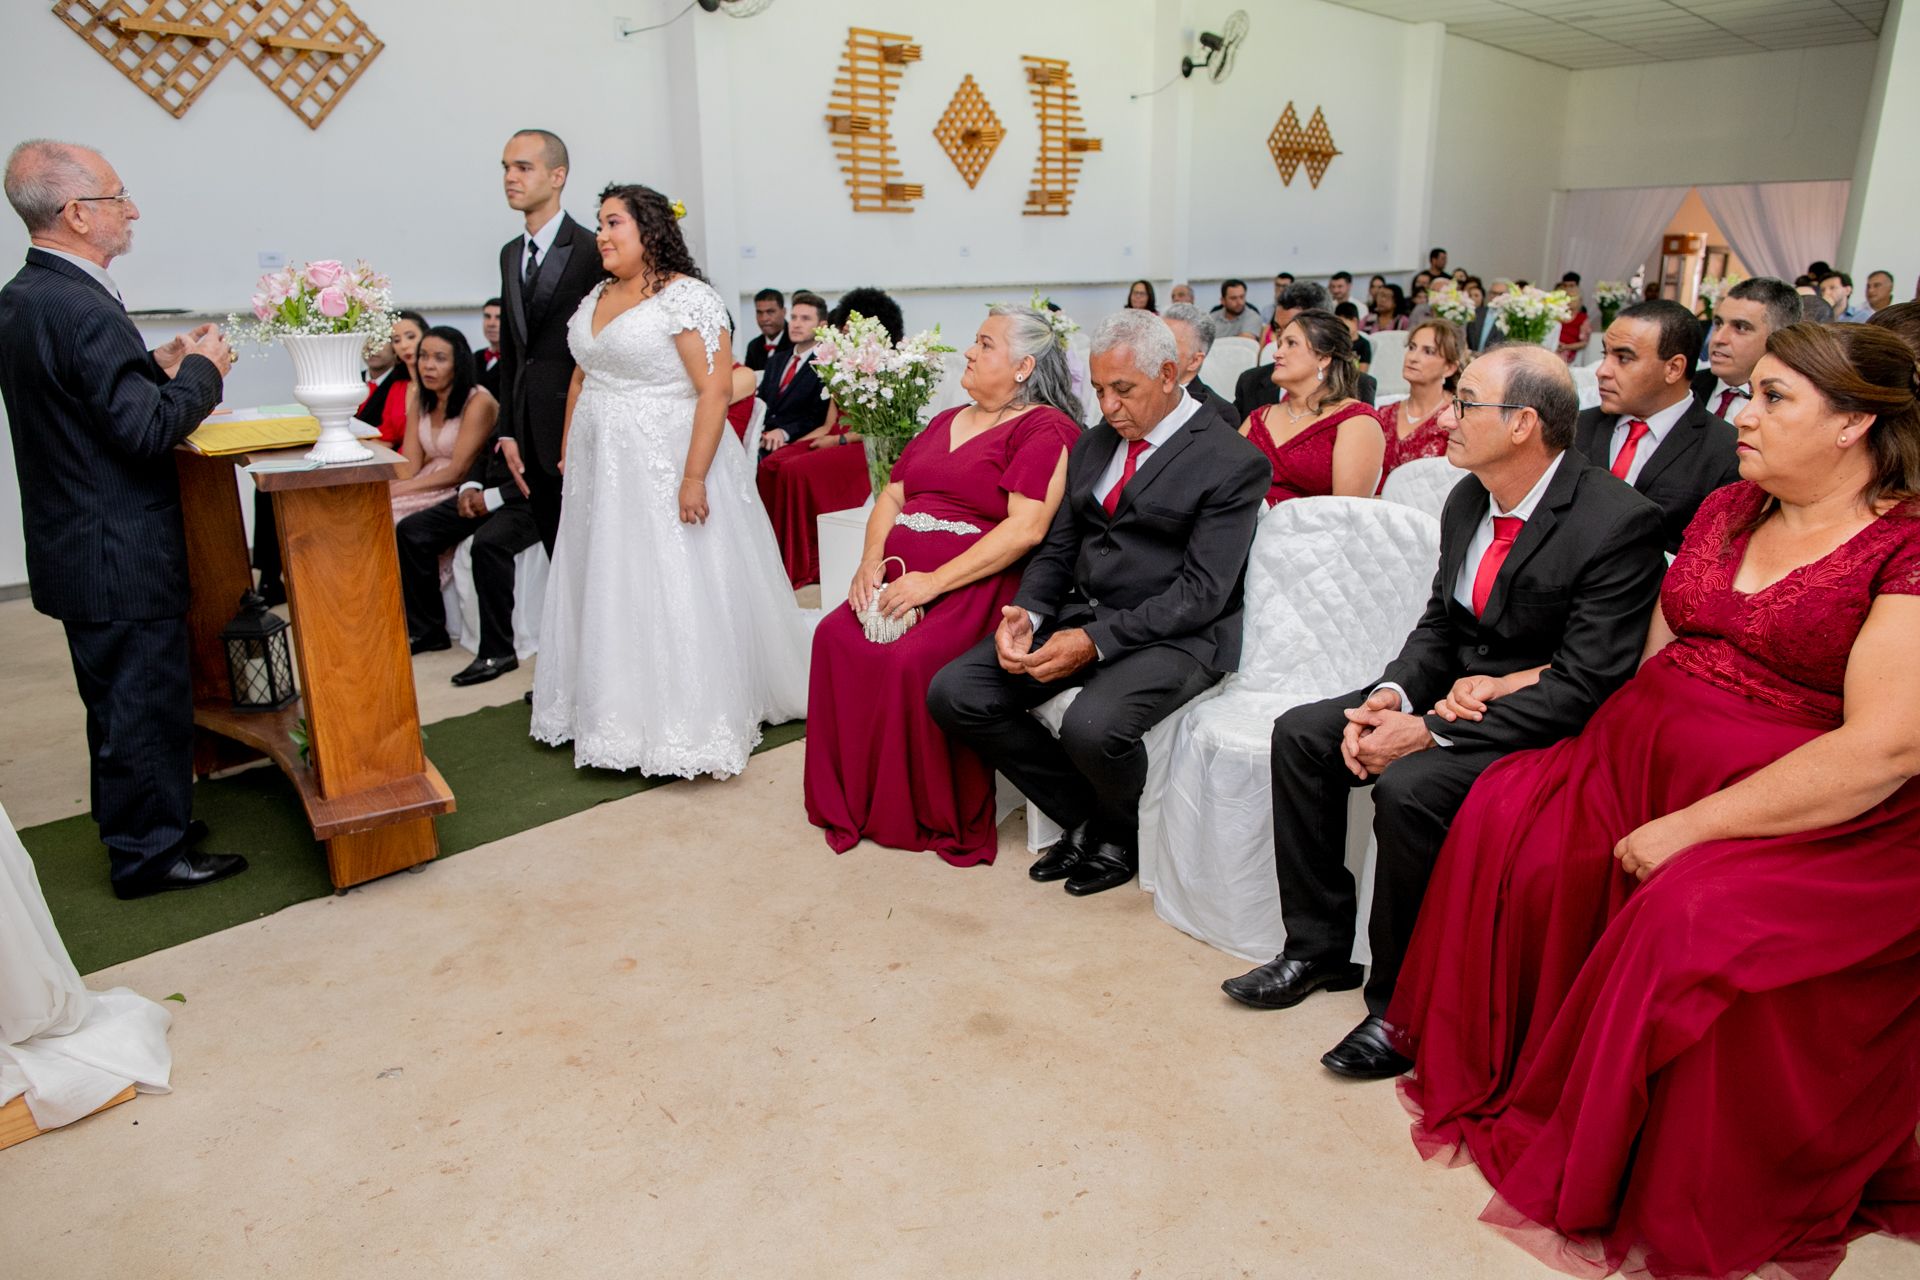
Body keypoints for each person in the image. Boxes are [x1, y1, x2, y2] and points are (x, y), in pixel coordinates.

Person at [1387, 321, 1920, 1280]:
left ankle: (1633, 1157)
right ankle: (1524, 1071)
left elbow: (1884, 747)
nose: (1740, 415)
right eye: (1748, 393)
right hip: (1641, 747)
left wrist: (1689, 826)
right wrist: (1523, 682)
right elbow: (1654, 655)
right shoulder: (1727, 507)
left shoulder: (1904, 550)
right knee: (1509, 814)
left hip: (1804, 803)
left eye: (1772, 399)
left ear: (1853, 425)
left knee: (1688, 915)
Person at [1223, 345, 1666, 1078]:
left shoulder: (1617, 523)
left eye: (1466, 404)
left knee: (1410, 787)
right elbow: (1443, 626)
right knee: (1304, 733)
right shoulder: (1469, 495)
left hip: (1545, 720)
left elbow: (1588, 684)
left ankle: (1397, 1009)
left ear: (1523, 423)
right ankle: (1315, 948)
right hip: (1451, 693)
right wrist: (1392, 696)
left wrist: (1425, 733)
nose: (1447, 419)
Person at [927, 310, 1270, 896]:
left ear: (1168, 375)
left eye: (1124, 390)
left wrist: (1093, 642)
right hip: (1083, 614)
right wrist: (1029, 612)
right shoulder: (1094, 443)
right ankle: (1090, 816)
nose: (1109, 407)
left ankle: (1118, 836)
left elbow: (1203, 592)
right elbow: (1060, 545)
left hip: (1178, 634)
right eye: (1101, 390)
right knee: (958, 694)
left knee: (1092, 726)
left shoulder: (1231, 461)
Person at [0, 139, 245, 899]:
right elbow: (142, 433)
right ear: (77, 213)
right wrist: (206, 370)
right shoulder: (83, 305)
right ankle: (149, 856)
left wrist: (153, 365)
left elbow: (87, 400)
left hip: (74, 541)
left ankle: (146, 823)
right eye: (117, 197)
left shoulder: (29, 295)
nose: (131, 209)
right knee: (140, 706)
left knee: (118, 704)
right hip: (118, 546)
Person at [530, 183, 808, 776]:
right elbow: (582, 378)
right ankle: (609, 711)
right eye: (600, 225)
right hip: (601, 468)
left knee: (668, 576)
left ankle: (684, 717)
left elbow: (712, 389)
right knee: (609, 576)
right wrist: (568, 453)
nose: (601, 236)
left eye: (613, 224)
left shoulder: (688, 299)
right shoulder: (597, 295)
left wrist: (693, 477)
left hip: (665, 454)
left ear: (649, 230)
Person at [805, 308, 1080, 863]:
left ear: (1025, 366)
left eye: (985, 344)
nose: (969, 353)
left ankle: (915, 810)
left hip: (973, 584)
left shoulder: (1046, 428)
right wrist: (869, 559)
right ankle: (853, 801)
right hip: (898, 573)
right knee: (832, 638)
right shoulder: (945, 419)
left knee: (912, 659)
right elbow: (892, 496)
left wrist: (934, 583)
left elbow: (1026, 529)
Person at [495, 128, 602, 555]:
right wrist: (507, 430)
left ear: (557, 176)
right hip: (525, 427)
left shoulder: (591, 249)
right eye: (506, 168)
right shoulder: (509, 253)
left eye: (523, 167)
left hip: (574, 423)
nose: (510, 177)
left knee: (586, 554)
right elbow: (511, 347)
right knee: (557, 554)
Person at [396, 393, 542, 684]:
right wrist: (469, 487)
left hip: (528, 498)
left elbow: (548, 469)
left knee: (487, 544)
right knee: (412, 530)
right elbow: (490, 448)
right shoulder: (513, 386)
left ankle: (498, 652)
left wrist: (494, 496)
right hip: (486, 488)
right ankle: (427, 630)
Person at [1577, 298, 1742, 553]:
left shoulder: (1726, 452)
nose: (1602, 371)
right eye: (1605, 354)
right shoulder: (1575, 428)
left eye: (1623, 358)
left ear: (1674, 368)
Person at [757, 288, 896, 588]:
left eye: (851, 330)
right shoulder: (843, 366)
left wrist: (837, 442)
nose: (846, 335)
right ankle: (772, 560)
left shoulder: (887, 366)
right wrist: (798, 445)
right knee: (774, 464)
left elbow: (880, 427)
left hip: (860, 444)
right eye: (844, 329)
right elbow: (829, 423)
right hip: (833, 436)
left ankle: (802, 562)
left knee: (795, 471)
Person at [1241, 310, 1383, 505]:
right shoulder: (1259, 417)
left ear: (1324, 358)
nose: (1277, 353)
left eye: (1291, 343)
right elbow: (1224, 481)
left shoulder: (1355, 422)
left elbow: (1346, 513)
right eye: (1280, 343)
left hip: (1314, 532)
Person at [390, 327, 497, 522]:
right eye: (423, 356)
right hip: (423, 480)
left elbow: (458, 471)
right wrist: (389, 488)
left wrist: (400, 490)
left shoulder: (478, 401)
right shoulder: (421, 400)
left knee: (394, 518)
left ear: (458, 364)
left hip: (456, 487)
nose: (428, 366)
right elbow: (411, 464)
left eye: (440, 358)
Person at [1690, 276, 1800, 421]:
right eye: (1718, 323)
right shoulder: (1686, 388)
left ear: (1779, 338)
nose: (1718, 339)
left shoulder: (1790, 408)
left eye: (1740, 327)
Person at [1375, 319, 1462, 492]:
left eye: (1428, 352)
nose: (1413, 358)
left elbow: (1447, 488)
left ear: (1450, 368)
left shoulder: (1454, 418)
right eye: (1412, 347)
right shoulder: (1384, 412)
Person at [1234, 281, 1331, 419]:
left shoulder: (1355, 387)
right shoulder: (1251, 382)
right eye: (1278, 329)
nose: (1280, 340)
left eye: (1292, 331)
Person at [1162, 302, 1237, 431]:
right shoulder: (1131, 391)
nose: (1153, 351)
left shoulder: (1217, 413)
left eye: (1167, 345)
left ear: (1195, 361)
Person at [744, 286, 788, 371]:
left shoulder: (796, 342)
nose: (764, 318)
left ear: (784, 312)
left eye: (770, 312)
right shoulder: (753, 346)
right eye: (759, 312)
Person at [1554, 273, 1590, 362]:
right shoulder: (1556, 313)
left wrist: (1565, 347)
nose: (1570, 301)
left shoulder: (1582, 317)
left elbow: (1584, 342)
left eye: (1573, 298)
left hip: (1566, 351)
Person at [1332, 301, 1372, 373]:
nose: (1340, 328)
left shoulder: (1364, 345)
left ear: (1354, 321)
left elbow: (1363, 371)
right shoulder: (1336, 342)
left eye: (1343, 324)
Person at [475, 297, 503, 396]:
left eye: (499, 318)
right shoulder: (475, 357)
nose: (491, 324)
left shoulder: (516, 361)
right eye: (487, 316)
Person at [1463, 277, 1499, 352]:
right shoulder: (1477, 313)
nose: (1496, 296)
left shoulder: (1511, 316)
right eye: (1493, 293)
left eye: (1500, 293)